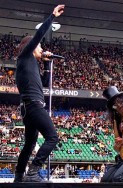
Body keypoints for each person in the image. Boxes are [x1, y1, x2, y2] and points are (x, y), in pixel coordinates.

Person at [14, 4, 65, 183]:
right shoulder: (25, 56)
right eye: (40, 47)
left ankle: (19, 176)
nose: (41, 49)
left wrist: (47, 63)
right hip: (33, 105)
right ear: (31, 46)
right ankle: (33, 172)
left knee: (29, 144)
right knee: (52, 137)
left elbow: (44, 84)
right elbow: (37, 36)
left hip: (30, 106)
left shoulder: (32, 64)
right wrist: (52, 16)